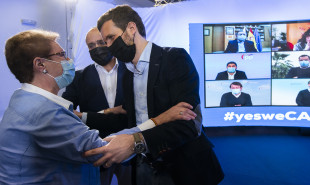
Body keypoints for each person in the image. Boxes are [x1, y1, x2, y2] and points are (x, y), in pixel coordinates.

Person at [0, 29, 197, 184]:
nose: (68, 60)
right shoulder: (43, 113)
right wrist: (160, 119)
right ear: (40, 65)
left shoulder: (23, 99)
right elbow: (104, 150)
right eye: (61, 55)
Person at [84, 5, 224, 185]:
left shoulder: (175, 58)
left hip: (185, 167)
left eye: (110, 38)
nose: (109, 47)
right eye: (106, 41)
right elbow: (131, 120)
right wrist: (82, 119)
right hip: (146, 168)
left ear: (131, 28)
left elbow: (189, 124)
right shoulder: (127, 74)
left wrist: (135, 142)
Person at [62, 27, 129, 185]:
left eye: (101, 42)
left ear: (110, 42)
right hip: (96, 150)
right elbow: (66, 111)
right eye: (91, 46)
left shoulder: (132, 71)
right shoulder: (78, 77)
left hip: (129, 148)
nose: (96, 48)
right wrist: (110, 111)